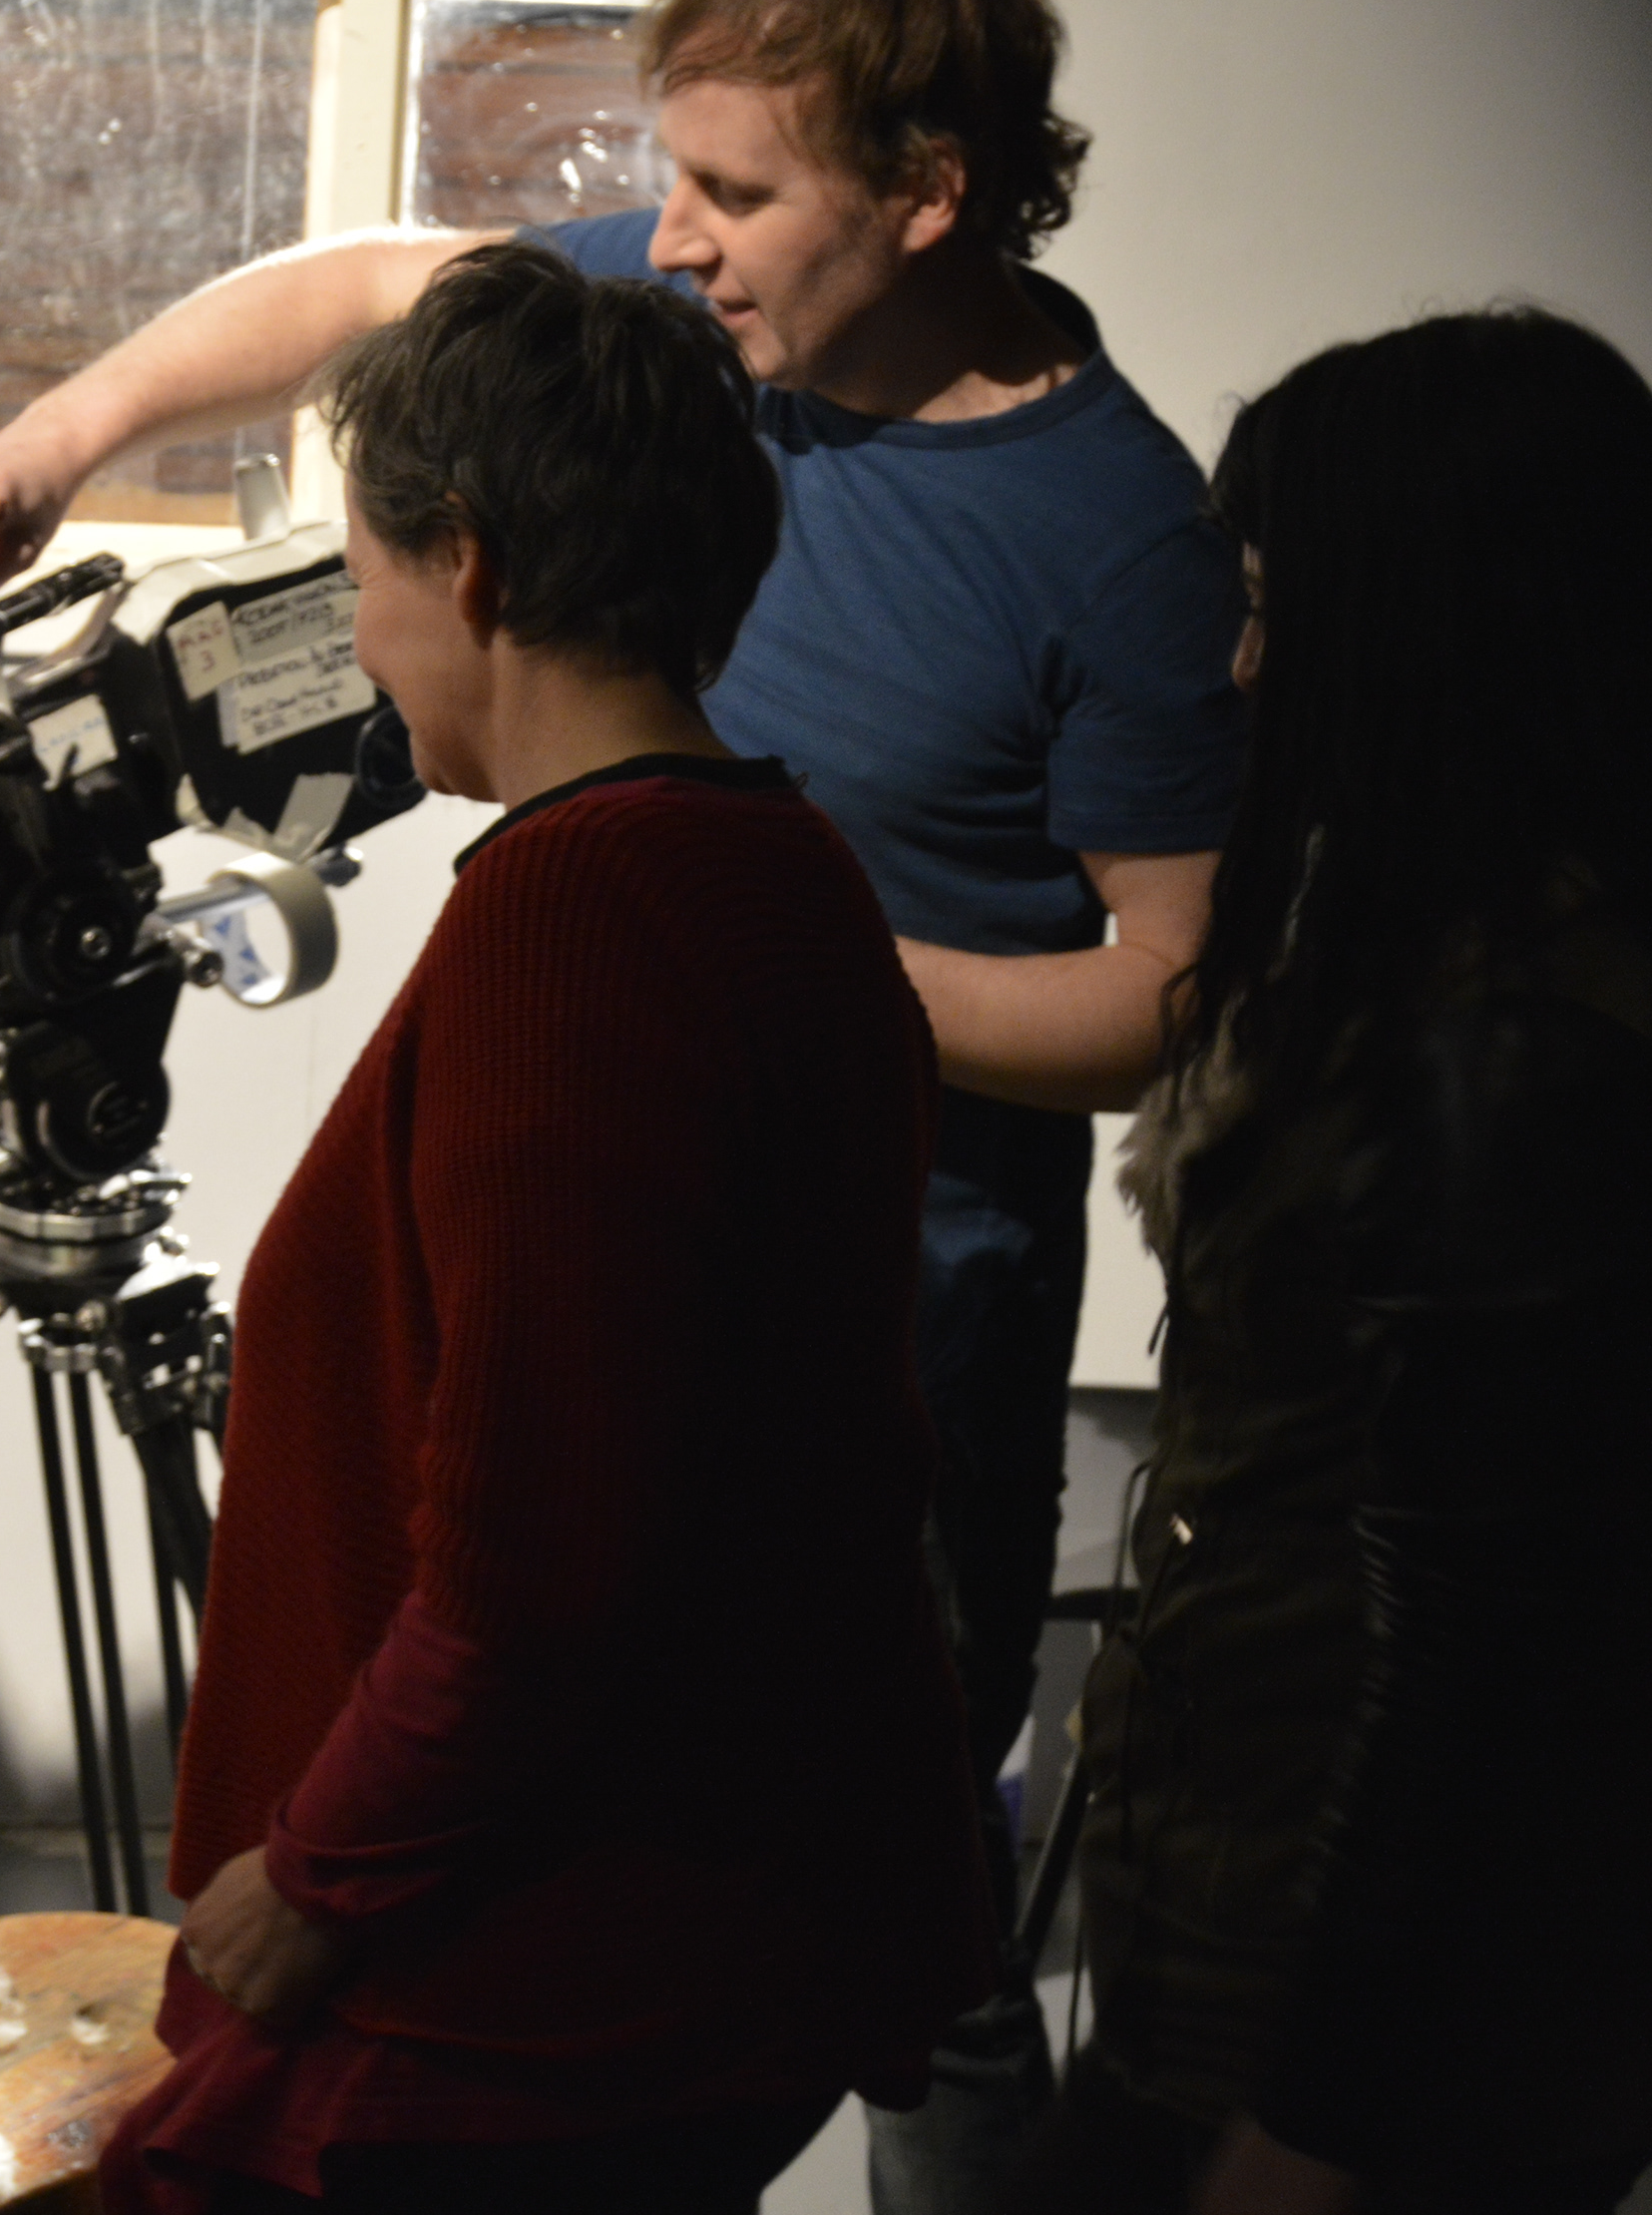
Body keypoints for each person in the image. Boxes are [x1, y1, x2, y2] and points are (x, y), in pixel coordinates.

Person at [0, 0, 1250, 2200]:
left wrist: (777, 976)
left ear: (926, 197)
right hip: (700, 1264)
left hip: (893, 1354)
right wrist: (55, 429)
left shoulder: (1084, 551)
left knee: (853, 1971)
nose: (673, 235)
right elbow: (369, 287)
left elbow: (1173, 991)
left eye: (731, 188)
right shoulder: (689, 362)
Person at [103, 244, 996, 2215]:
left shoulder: (572, 914)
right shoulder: (788, 868)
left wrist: (318, 1869)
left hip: (537, 1979)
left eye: (363, 575)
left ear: (475, 565)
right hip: (720, 1922)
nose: (361, 637)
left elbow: (535, 1559)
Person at [1026, 311, 1652, 2212]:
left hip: (1397, 1980)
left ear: (1421, 634)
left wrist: (1319, 2107)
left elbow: (1484, 1642)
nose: (1243, 667)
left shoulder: (1518, 1046)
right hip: (1372, 1919)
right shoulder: (1536, 953)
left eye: (1269, 608)